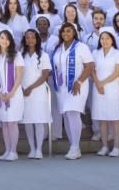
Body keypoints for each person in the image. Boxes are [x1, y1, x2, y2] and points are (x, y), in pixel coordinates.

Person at [51, 22, 95, 160]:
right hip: (62, 87)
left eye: (69, 31)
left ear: (74, 33)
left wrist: (79, 81)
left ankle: (75, 147)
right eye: (63, 31)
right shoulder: (58, 48)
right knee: (66, 115)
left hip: (78, 86)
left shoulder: (81, 47)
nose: (66, 34)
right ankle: (73, 146)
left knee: (73, 113)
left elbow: (90, 66)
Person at [91, 29, 119, 157]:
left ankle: (117, 147)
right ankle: (104, 146)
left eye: (107, 38)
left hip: (111, 89)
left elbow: (118, 72)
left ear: (112, 40)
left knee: (115, 118)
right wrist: (97, 83)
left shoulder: (117, 54)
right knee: (102, 119)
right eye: (102, 38)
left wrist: (102, 83)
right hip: (98, 89)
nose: (104, 41)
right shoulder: (95, 53)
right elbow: (91, 70)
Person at [19, 28, 52, 159]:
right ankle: (32, 148)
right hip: (23, 92)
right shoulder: (20, 55)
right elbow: (17, 74)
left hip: (38, 92)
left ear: (37, 39)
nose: (30, 40)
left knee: (38, 120)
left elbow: (45, 75)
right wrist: (22, 88)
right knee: (27, 121)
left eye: (33, 37)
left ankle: (39, 149)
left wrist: (31, 88)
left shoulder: (43, 55)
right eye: (27, 37)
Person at [0, 29, 24, 161]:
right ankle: (7, 150)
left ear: (10, 41)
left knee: (12, 123)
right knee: (4, 123)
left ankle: (13, 151)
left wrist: (10, 93)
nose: (4, 41)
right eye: (1, 38)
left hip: (14, 94)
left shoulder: (16, 55)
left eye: (6, 38)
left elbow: (19, 77)